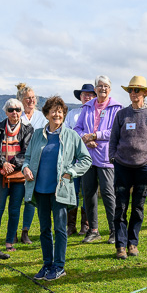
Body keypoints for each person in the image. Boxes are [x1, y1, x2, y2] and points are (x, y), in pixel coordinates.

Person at [22, 96, 92, 281]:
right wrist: (25, 168)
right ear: (46, 114)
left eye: (60, 111)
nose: (57, 114)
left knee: (60, 229)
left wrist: (71, 172)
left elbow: (86, 159)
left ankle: (59, 266)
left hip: (60, 190)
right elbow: (27, 158)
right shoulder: (37, 134)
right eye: (53, 111)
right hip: (40, 189)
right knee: (44, 229)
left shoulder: (71, 135)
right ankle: (47, 264)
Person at [109, 76, 147, 259]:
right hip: (123, 165)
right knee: (121, 207)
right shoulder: (121, 114)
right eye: (131, 90)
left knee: (138, 207)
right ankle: (120, 246)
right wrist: (113, 158)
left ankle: (133, 243)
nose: (133, 93)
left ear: (145, 93)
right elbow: (113, 139)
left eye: (137, 90)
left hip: (144, 166)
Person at [74, 75, 122, 244]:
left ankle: (114, 230)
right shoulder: (87, 107)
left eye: (106, 86)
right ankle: (93, 230)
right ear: (95, 89)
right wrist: (85, 137)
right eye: (100, 86)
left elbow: (116, 130)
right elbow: (77, 128)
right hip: (87, 157)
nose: (103, 88)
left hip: (106, 157)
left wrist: (96, 135)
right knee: (88, 193)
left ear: (110, 89)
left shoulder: (116, 108)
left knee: (109, 193)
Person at [0, 98, 34, 260]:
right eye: (10, 110)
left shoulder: (28, 129)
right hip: (1, 174)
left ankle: (9, 242)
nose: (14, 113)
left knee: (14, 209)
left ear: (21, 111)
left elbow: (27, 151)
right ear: (6, 112)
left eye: (17, 110)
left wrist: (11, 165)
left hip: (18, 175)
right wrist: (3, 164)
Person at [16, 83, 47, 244]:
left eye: (33, 98)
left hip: (36, 162)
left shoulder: (42, 117)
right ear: (21, 100)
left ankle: (25, 231)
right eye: (28, 98)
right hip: (17, 161)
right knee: (15, 199)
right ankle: (12, 231)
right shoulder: (16, 116)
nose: (31, 101)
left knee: (30, 198)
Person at [66, 84, 97, 237]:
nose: (87, 97)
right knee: (72, 191)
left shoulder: (96, 113)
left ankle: (85, 224)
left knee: (87, 191)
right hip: (73, 157)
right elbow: (67, 133)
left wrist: (90, 140)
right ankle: (70, 225)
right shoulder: (72, 114)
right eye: (85, 94)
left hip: (89, 157)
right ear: (80, 97)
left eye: (91, 95)